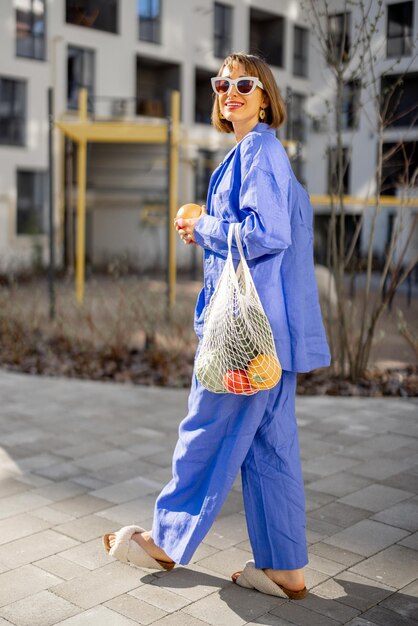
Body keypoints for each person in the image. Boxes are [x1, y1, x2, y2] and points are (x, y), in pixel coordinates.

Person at [103, 53, 330, 599]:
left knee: (204, 429)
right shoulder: (258, 153)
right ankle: (285, 569)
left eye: (244, 84)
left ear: (265, 94)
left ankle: (165, 540)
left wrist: (202, 225)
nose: (231, 92)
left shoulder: (258, 150)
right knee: (271, 450)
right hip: (270, 337)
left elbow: (266, 233)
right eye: (222, 83)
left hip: (245, 338)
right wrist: (204, 227)